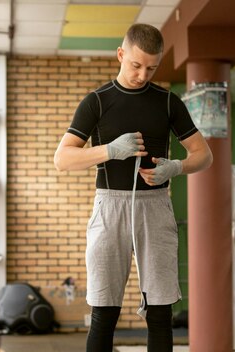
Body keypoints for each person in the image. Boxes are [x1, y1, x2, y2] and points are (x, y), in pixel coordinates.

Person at [54, 23, 213, 352]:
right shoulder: (96, 102)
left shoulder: (168, 102)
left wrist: (177, 167)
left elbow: (205, 155)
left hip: (155, 206)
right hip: (109, 206)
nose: (143, 75)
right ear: (121, 54)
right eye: (136, 65)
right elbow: (63, 159)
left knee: (160, 310)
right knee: (104, 310)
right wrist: (109, 150)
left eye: (151, 68)